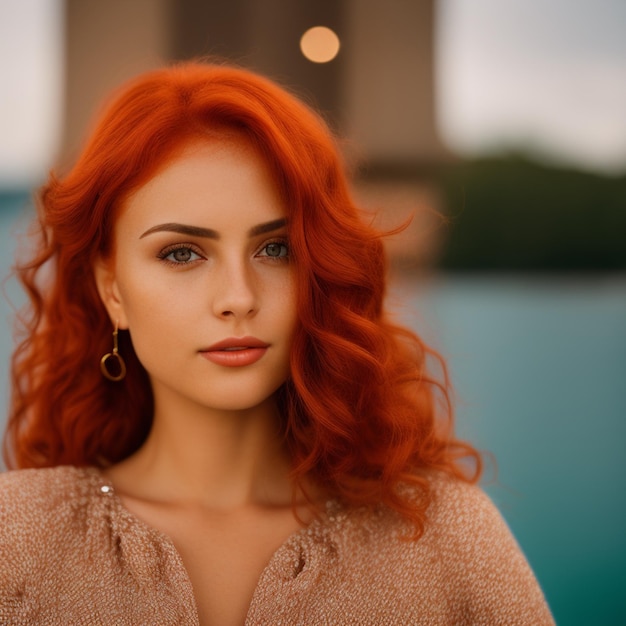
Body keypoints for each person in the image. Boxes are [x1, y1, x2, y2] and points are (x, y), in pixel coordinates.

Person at [0, 62, 554, 625]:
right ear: (111, 290)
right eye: (182, 253)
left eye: (276, 250)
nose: (238, 297)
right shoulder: (15, 539)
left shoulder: (445, 536)